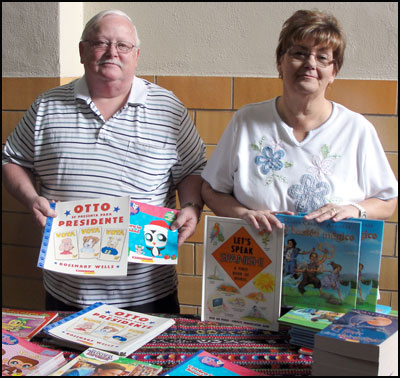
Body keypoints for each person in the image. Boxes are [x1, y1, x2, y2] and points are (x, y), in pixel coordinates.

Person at [2, 10, 206, 313]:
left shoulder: (168, 108)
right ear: (83, 51)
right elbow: (11, 159)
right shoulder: (46, 106)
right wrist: (31, 198)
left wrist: (191, 206)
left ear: (136, 55)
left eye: (123, 46)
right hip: (66, 291)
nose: (112, 53)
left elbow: (191, 169)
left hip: (147, 291)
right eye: (101, 43)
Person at [201, 9, 397, 232]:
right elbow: (211, 190)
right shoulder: (246, 121)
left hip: (330, 262)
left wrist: (355, 209)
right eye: (299, 53)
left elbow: (388, 202)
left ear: (334, 72)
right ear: (280, 63)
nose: (310, 63)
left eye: (322, 57)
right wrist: (245, 214)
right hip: (257, 262)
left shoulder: (357, 130)